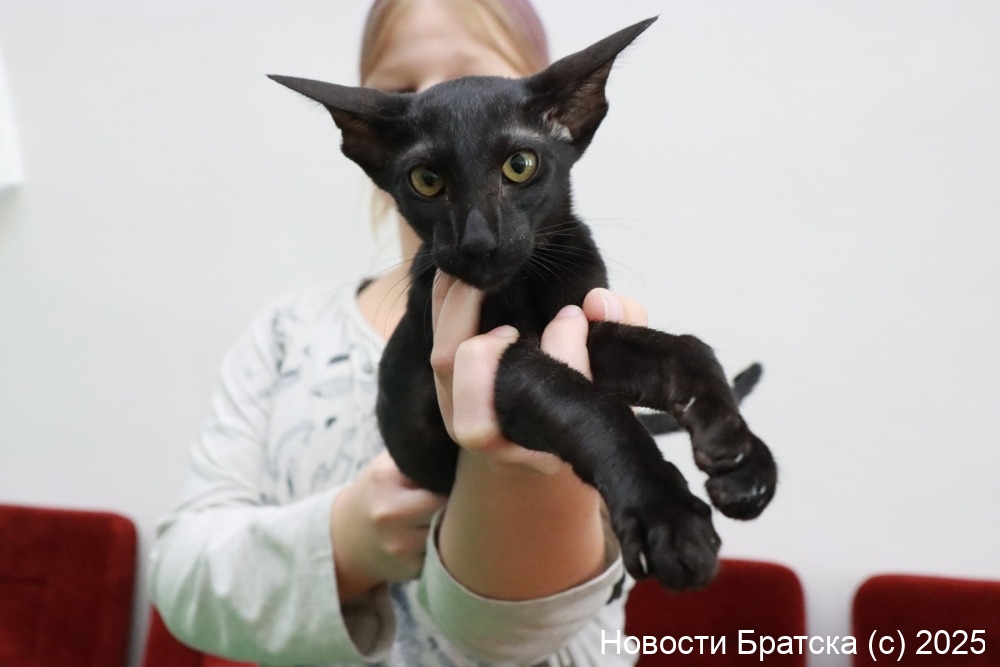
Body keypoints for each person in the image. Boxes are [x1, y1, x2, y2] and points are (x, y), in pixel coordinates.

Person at [149, 1, 649, 664]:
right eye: (400, 89)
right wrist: (345, 541)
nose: (440, 105)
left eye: (470, 78)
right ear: (368, 136)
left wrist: (529, 455)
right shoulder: (287, 335)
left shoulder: (578, 330)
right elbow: (178, 576)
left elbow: (518, 636)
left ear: (550, 112)